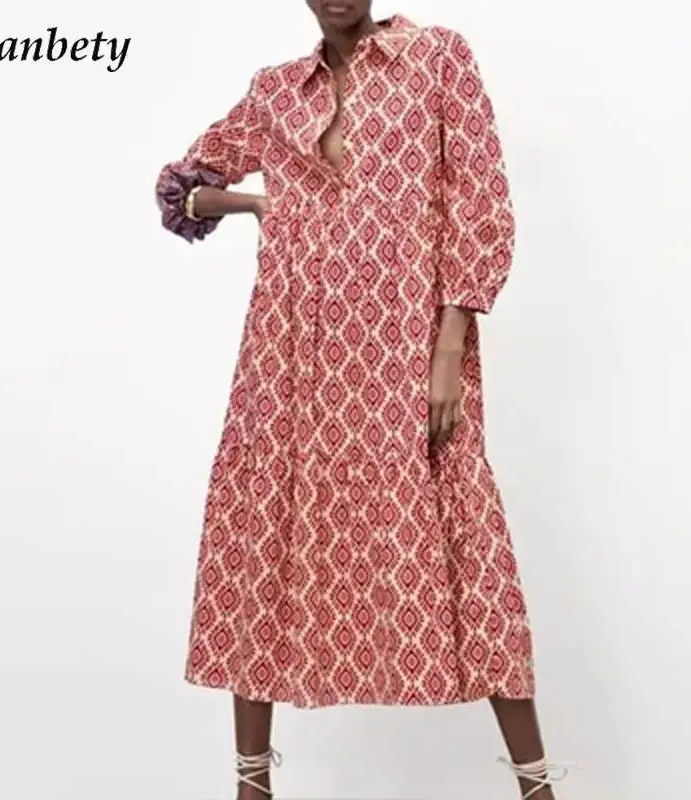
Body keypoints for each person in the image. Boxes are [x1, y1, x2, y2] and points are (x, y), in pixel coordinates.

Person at [155, 3, 569, 799]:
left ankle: (536, 785)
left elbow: (479, 203)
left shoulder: (437, 59)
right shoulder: (276, 91)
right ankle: (252, 785)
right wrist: (255, 204)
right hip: (290, 351)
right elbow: (179, 190)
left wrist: (448, 349)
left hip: (404, 345)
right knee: (268, 530)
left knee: (466, 539)